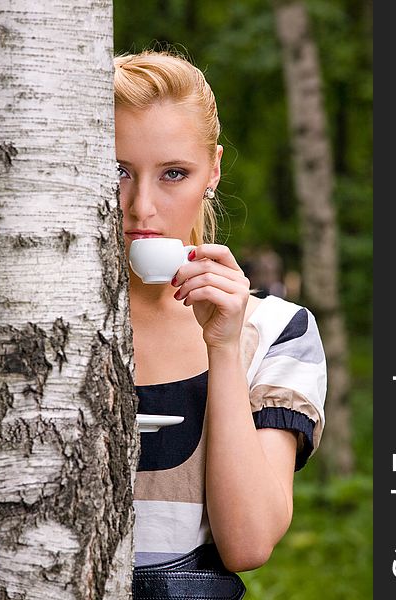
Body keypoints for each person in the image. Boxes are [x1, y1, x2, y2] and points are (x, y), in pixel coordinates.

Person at [114, 49, 327, 599]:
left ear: (212, 170)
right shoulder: (26, 323)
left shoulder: (278, 329)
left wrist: (225, 348)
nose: (141, 207)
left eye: (173, 174)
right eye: (117, 172)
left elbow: (248, 544)